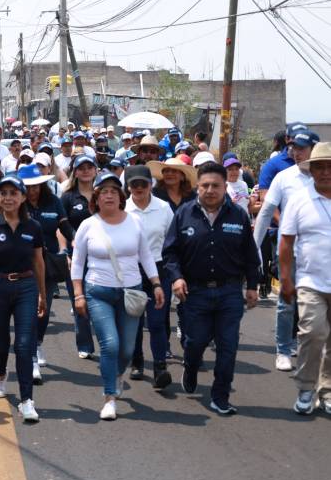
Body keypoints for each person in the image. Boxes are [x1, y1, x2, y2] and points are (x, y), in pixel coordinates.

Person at [163, 162, 259, 415]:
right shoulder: (184, 214)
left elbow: (250, 254)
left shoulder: (238, 215)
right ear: (197, 188)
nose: (210, 190)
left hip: (229, 293)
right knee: (194, 343)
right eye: (204, 185)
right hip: (195, 293)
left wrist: (253, 286)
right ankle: (191, 367)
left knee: (228, 347)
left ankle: (221, 396)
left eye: (216, 185)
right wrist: (176, 278)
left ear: (225, 187)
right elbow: (170, 252)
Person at [71, 171, 163, 420]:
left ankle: (118, 374)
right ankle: (109, 397)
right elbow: (77, 263)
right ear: (97, 198)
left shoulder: (135, 222)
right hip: (98, 291)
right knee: (110, 345)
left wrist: (155, 283)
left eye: (113, 191)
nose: (109, 195)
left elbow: (146, 255)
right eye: (104, 192)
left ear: (121, 197)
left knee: (127, 349)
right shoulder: (87, 225)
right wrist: (78, 295)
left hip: (132, 292)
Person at [0, 175, 46, 422]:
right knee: (1, 341)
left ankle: (27, 400)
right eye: (3, 193)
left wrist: (42, 295)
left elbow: (39, 262)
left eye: (13, 193)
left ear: (23, 197)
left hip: (26, 286)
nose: (7, 198)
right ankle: (1, 373)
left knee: (25, 345)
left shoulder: (33, 227)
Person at [252, 129, 319, 372]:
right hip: (288, 250)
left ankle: (303, 344)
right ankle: (283, 349)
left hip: (319, 253)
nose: (295, 151)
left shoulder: (323, 177)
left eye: (301, 148)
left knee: (314, 303)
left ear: (314, 149)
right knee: (287, 301)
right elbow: (266, 213)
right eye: (293, 147)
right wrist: (254, 249)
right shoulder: (284, 177)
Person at [278, 142, 331, 415]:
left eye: (329, 167)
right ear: (311, 171)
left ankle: (328, 389)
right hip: (311, 281)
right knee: (313, 332)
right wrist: (286, 279)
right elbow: (286, 243)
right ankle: (307, 388)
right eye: (319, 167)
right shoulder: (300, 199)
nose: (325, 172)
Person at [20, 164, 73, 381]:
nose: (33, 191)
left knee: (43, 309)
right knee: (27, 312)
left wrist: (77, 241)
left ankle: (38, 343)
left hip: (48, 263)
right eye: (28, 187)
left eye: (37, 186)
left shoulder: (53, 201)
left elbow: (64, 226)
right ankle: (30, 356)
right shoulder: (16, 203)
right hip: (21, 264)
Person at [124, 166, 174, 388]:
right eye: (134, 184)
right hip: (131, 271)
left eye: (143, 183)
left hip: (159, 270)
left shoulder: (164, 209)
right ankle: (137, 361)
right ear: (128, 186)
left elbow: (174, 242)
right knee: (134, 319)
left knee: (156, 321)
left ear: (151, 184)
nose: (139, 188)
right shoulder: (122, 210)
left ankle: (160, 366)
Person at [61, 155, 98, 359]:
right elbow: (61, 225)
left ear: (95, 170)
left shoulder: (105, 193)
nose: (85, 171)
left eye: (89, 167)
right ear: (74, 171)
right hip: (76, 256)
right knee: (80, 299)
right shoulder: (67, 197)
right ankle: (84, 343)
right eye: (81, 167)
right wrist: (66, 250)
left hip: (103, 257)